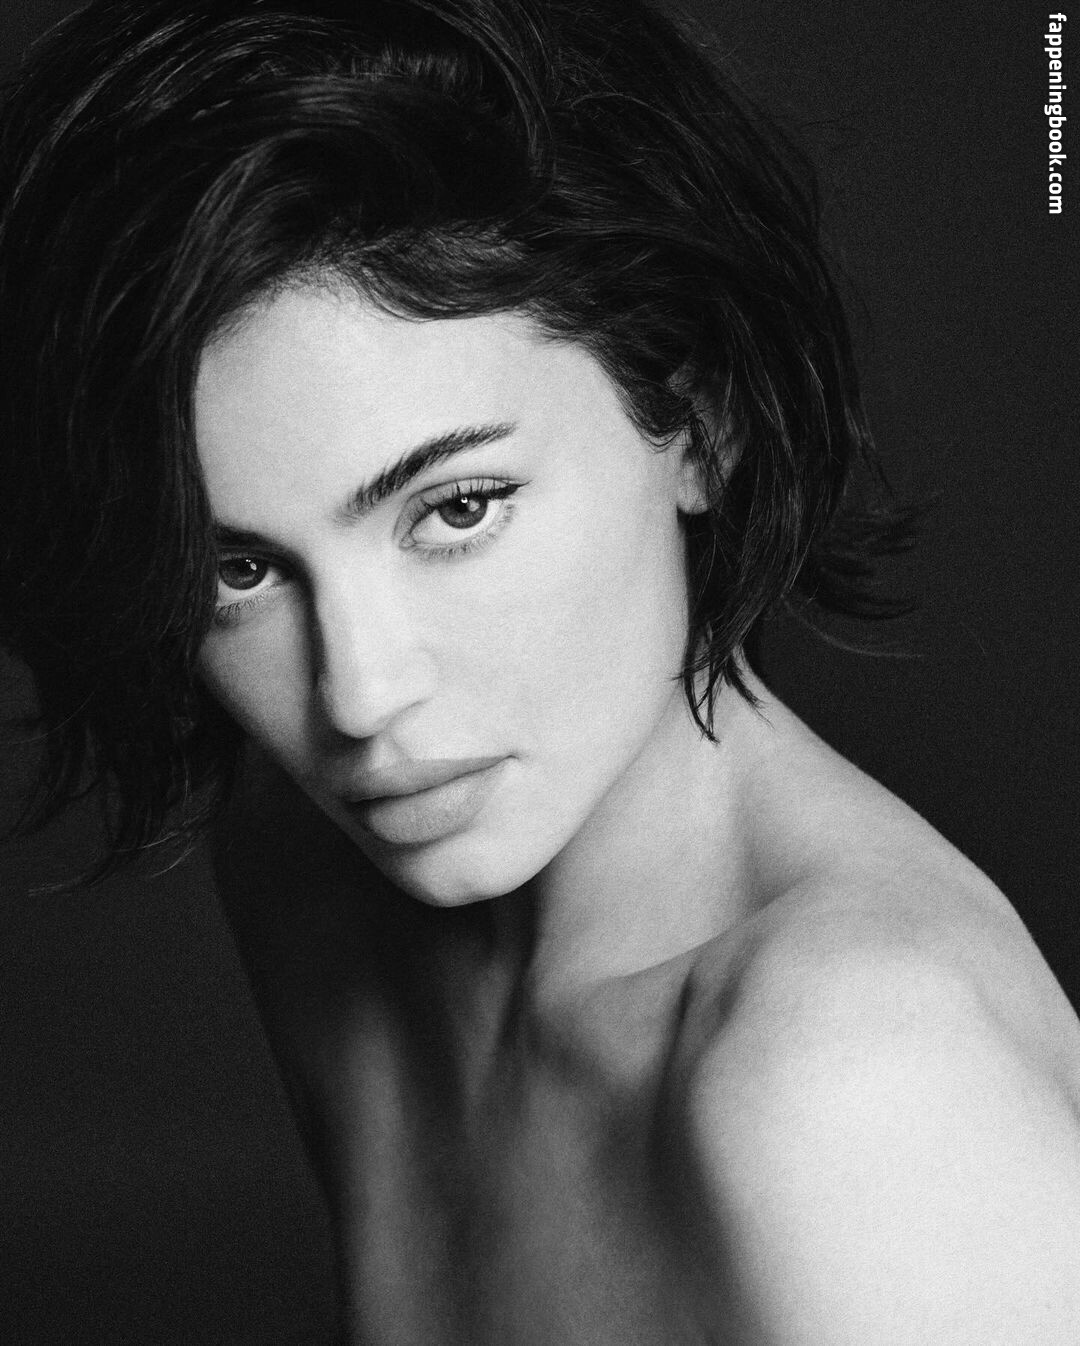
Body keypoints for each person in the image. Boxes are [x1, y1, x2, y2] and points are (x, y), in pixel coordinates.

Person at [2, 0, 1079, 1341]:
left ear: (698, 418)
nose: (359, 697)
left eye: (457, 508)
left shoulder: (856, 1079)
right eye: (240, 568)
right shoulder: (306, 870)